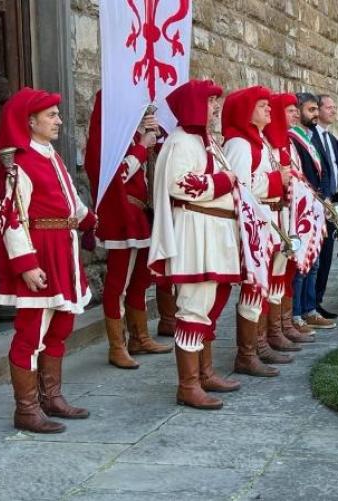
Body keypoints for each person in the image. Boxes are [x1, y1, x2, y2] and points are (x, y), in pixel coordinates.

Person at [0, 87, 96, 432]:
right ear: (30, 121)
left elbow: (68, 201)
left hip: (63, 250)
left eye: (57, 114)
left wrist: (90, 219)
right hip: (40, 255)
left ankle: (51, 397)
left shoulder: (51, 155)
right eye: (51, 115)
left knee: (60, 327)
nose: (59, 120)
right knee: (31, 333)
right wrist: (26, 264)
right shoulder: (18, 164)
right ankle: (27, 408)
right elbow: (11, 217)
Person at [148, 79, 241, 409]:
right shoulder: (181, 142)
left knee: (209, 306)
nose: (216, 107)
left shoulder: (206, 142)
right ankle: (188, 385)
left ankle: (205, 372)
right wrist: (224, 181)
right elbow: (179, 185)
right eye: (211, 101)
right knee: (193, 306)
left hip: (214, 231)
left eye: (217, 101)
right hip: (195, 232)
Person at [84, 91, 172, 371]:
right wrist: (141, 145)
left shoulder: (134, 138)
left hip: (141, 216)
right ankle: (117, 345)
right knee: (117, 284)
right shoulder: (106, 142)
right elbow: (116, 174)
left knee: (139, 281)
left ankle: (140, 337)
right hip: (122, 218)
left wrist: (152, 142)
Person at [222, 87, 298, 378]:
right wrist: (277, 179)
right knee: (254, 287)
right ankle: (247, 353)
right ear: (246, 110)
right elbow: (242, 188)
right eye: (262, 105)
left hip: (269, 220)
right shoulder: (241, 145)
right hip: (257, 224)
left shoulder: (260, 141)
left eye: (269, 105)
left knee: (267, 284)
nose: (269, 110)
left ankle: (261, 343)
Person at [290, 92, 337, 330]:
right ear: (298, 112)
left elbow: (324, 170)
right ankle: (296, 314)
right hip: (303, 208)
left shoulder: (309, 137)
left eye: (316, 110)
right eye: (311, 110)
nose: (316, 114)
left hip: (317, 206)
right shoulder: (293, 138)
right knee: (302, 264)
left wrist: (326, 198)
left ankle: (310, 308)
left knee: (314, 262)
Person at [312, 95, 338, 320]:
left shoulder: (331, 139)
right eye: (329, 107)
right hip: (317, 204)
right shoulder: (309, 137)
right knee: (315, 257)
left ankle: (318, 301)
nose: (333, 111)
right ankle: (309, 305)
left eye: (334, 107)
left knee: (327, 255)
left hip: (332, 204)